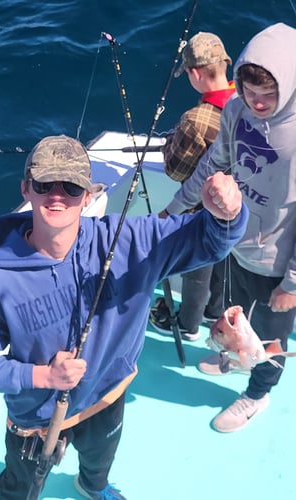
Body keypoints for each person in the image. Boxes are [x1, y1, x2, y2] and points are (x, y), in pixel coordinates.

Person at [0, 134, 247, 499]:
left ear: (88, 196)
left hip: (109, 392)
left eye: (71, 186)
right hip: (37, 418)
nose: (57, 194)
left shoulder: (130, 240)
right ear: (26, 189)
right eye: (44, 183)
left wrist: (228, 212)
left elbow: (211, 241)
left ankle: (92, 487)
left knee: (99, 462)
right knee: (20, 485)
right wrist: (42, 375)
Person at [162, 22, 296, 433]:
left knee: (271, 337)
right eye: (250, 92)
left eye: (267, 95)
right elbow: (213, 164)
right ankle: (237, 359)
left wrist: (291, 284)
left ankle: (258, 394)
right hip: (236, 241)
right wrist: (175, 208)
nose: (257, 103)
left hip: (277, 259)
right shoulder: (235, 109)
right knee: (239, 316)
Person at [149, 31, 236, 341]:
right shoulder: (246, 101)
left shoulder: (195, 119)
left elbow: (176, 170)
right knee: (224, 259)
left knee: (198, 266)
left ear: (195, 73)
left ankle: (187, 325)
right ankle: (217, 312)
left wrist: (170, 143)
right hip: (238, 207)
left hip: (203, 208)